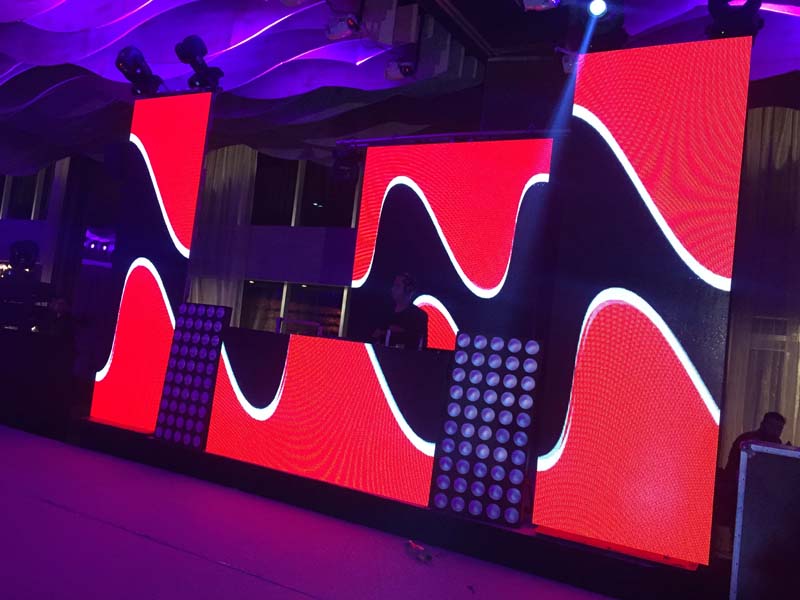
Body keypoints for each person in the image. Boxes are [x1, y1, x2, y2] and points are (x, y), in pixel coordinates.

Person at [373, 273, 428, 349]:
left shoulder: (419, 315)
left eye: (397, 286)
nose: (393, 289)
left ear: (408, 290)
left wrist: (395, 333)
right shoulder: (384, 310)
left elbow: (419, 342)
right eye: (393, 285)